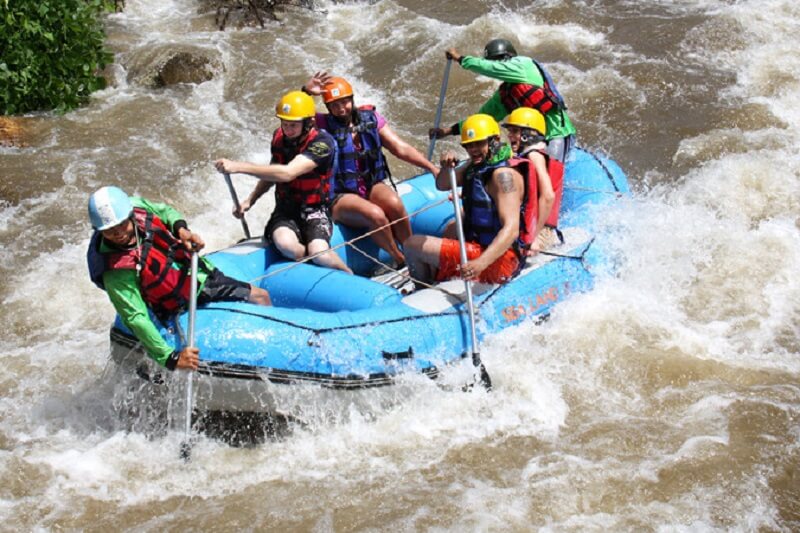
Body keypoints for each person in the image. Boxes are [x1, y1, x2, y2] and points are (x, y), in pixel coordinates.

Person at [86, 186, 272, 371]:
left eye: (121, 224)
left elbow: (165, 212)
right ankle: (270, 349)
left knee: (261, 295)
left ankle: (269, 340)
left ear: (130, 215)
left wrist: (182, 230)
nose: (118, 233)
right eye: (109, 230)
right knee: (260, 296)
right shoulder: (116, 272)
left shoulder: (136, 206)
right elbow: (136, 317)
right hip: (171, 301)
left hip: (196, 274)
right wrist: (170, 358)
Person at [430, 38, 576, 238]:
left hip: (555, 133)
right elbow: (482, 118)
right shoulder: (506, 93)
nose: (499, 65)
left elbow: (489, 68)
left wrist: (461, 59)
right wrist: (449, 131)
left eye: (501, 61)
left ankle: (545, 231)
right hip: (527, 138)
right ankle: (518, 212)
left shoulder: (524, 65)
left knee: (549, 182)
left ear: (508, 58)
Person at [302, 73, 439, 266]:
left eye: (344, 102)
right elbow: (296, 116)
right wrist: (306, 92)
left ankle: (412, 251)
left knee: (395, 204)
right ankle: (401, 260)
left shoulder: (371, 119)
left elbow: (400, 148)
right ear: (328, 108)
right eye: (334, 105)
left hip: (369, 184)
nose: (341, 109)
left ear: (352, 99)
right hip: (338, 195)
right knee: (375, 214)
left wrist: (431, 168)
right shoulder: (322, 125)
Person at [214, 90, 352, 274]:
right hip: (286, 209)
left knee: (320, 253)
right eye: (284, 123)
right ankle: (310, 271)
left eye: (293, 125)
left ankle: (347, 274)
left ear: (309, 123)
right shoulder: (280, 138)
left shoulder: (322, 144)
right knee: (286, 245)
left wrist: (238, 166)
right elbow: (273, 171)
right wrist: (249, 201)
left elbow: (287, 173)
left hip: (316, 210)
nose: (287, 129)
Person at [404, 114, 538, 286]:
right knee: (451, 228)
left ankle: (421, 288)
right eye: (468, 145)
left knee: (411, 244)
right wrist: (447, 167)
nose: (473, 149)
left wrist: (481, 263)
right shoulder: (478, 166)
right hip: (478, 246)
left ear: (495, 140)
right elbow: (442, 184)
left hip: (500, 261)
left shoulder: (503, 176)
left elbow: (511, 229)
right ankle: (438, 277)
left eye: (478, 144)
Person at [502, 107, 556, 253]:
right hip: (526, 224)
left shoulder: (534, 156)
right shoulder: (523, 154)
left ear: (528, 135)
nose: (509, 135)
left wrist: (533, 236)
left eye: (514, 131)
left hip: (538, 231)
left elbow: (548, 196)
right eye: (509, 131)